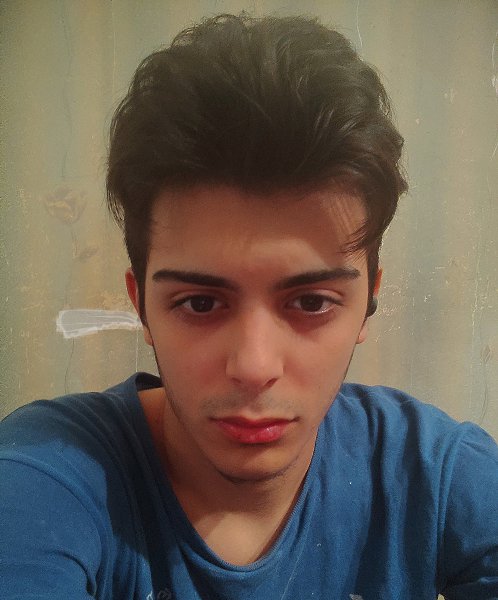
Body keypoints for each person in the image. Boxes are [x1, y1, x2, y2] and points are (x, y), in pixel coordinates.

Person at [1, 13, 497, 599]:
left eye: (311, 301)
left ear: (368, 300)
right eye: (200, 302)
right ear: (141, 305)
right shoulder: (46, 475)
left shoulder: (435, 473)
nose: (255, 366)